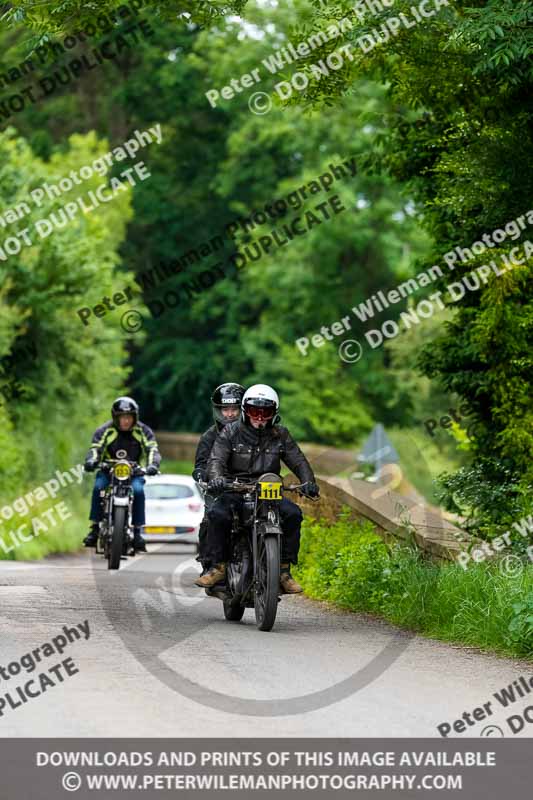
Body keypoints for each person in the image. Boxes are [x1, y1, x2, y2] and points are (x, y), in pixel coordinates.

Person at [196, 384, 320, 593]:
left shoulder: (281, 434)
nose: (260, 417)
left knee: (293, 514)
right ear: (246, 411)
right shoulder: (230, 431)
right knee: (218, 514)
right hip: (235, 488)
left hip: (267, 490)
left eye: (266, 412)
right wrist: (217, 479)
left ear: (274, 413)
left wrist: (308, 482)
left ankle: (283, 570)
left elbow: (298, 460)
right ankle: (218, 567)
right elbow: (216, 459)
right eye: (255, 411)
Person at [83, 396, 161, 552]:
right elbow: (95, 449)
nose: (126, 421)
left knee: (138, 491)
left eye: (129, 417)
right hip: (108, 471)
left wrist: (152, 465)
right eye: (122, 417)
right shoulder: (105, 430)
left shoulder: (143, 431)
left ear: (135, 417)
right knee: (99, 488)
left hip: (134, 472)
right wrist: (92, 461)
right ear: (115, 417)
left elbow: (152, 449)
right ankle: (95, 528)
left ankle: (137, 533)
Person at [192, 382, 244, 574]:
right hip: (219, 488)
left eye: (234, 409)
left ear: (242, 409)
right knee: (210, 518)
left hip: (247, 487)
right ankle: (210, 563)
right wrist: (205, 476)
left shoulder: (252, 434)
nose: (229, 414)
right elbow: (200, 465)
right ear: (218, 411)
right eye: (225, 409)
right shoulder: (209, 436)